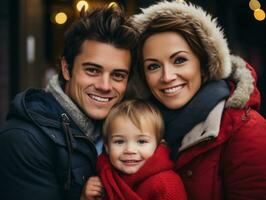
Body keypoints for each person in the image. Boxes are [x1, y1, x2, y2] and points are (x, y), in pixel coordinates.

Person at [131, 1, 266, 199]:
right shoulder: (140, 128)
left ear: (204, 65)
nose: (167, 76)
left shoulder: (246, 129)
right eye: (153, 66)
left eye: (179, 60)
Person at [0, 6, 138, 200]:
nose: (105, 86)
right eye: (92, 70)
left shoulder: (122, 130)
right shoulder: (24, 140)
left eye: (118, 75)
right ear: (66, 69)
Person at [82, 99, 187, 200]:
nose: (130, 150)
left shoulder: (166, 184)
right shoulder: (105, 177)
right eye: (119, 142)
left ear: (158, 146)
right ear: (107, 147)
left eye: (141, 141)